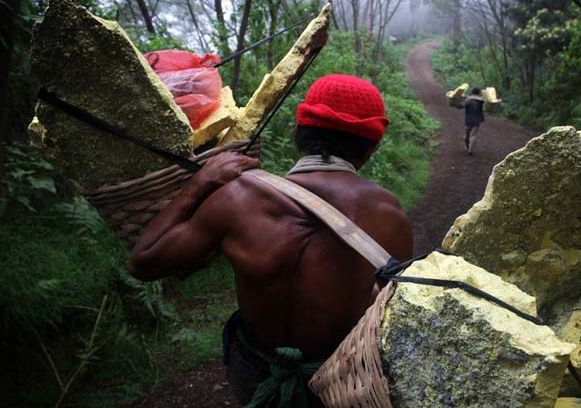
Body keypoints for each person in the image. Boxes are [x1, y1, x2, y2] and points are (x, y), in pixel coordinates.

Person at [128, 74, 414, 408]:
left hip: (253, 371)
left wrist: (200, 182)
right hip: (336, 382)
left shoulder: (236, 198)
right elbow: (388, 318)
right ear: (373, 146)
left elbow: (143, 263)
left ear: (298, 131)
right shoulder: (388, 216)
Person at [458, 87, 485, 155]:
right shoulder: (481, 101)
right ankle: (470, 150)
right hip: (477, 119)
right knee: (473, 135)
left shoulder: (468, 99)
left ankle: (467, 147)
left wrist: (458, 101)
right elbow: (484, 108)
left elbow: (461, 106)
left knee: (467, 134)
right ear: (478, 93)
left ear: (472, 92)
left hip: (469, 119)